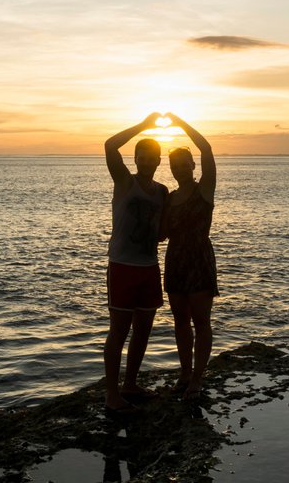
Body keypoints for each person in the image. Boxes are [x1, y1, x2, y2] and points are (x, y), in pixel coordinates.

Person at [103, 113, 169, 413]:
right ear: (136, 159)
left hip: (149, 268)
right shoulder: (124, 181)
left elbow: (163, 231)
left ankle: (130, 384)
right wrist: (144, 126)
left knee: (143, 329)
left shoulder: (162, 192)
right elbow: (109, 145)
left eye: (152, 157)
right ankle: (111, 394)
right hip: (122, 267)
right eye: (142, 157)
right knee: (119, 331)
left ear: (158, 160)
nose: (147, 162)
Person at [160, 113, 218, 400]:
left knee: (201, 320)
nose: (180, 169)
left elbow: (206, 148)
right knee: (180, 321)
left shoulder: (204, 190)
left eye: (185, 164)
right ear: (170, 168)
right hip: (175, 261)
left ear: (193, 165)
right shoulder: (169, 197)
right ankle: (184, 373)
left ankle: (197, 377)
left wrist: (180, 124)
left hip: (198, 259)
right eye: (175, 165)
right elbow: (160, 233)